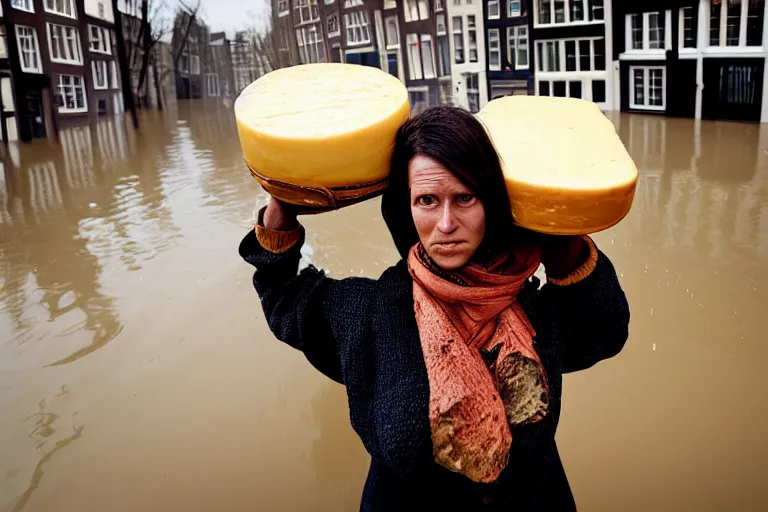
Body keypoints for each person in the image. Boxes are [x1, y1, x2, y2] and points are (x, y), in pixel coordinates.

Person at [239, 106, 630, 511]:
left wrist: (555, 228)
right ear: (405, 207)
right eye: (427, 200)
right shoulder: (370, 314)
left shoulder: (531, 305)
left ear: (491, 203)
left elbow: (605, 331)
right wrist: (282, 204)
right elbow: (283, 296)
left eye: (465, 197)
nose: (445, 223)